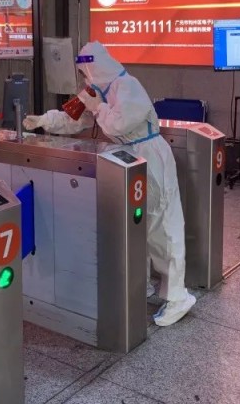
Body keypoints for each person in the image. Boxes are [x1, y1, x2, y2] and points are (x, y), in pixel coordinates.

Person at [23, 41, 196, 327]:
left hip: (151, 155)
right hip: (126, 157)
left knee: (162, 226)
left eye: (84, 71)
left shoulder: (129, 86)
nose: (83, 77)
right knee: (135, 225)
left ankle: (178, 296)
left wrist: (98, 106)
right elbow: (72, 117)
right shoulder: (94, 90)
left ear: (95, 65)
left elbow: (118, 124)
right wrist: (44, 120)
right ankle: (142, 283)